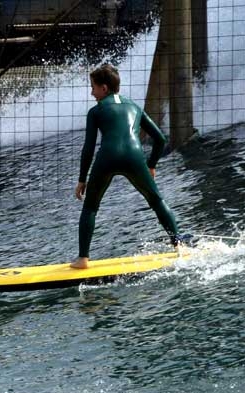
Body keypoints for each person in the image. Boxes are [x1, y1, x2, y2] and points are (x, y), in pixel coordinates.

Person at [70, 64, 190, 270]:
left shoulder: (96, 111)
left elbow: (88, 148)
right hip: (134, 157)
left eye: (93, 87)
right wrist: (151, 165)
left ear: (104, 88)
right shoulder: (134, 107)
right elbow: (160, 139)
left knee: (90, 207)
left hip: (107, 157)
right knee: (157, 201)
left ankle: (83, 259)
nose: (92, 92)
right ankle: (179, 245)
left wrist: (82, 178)